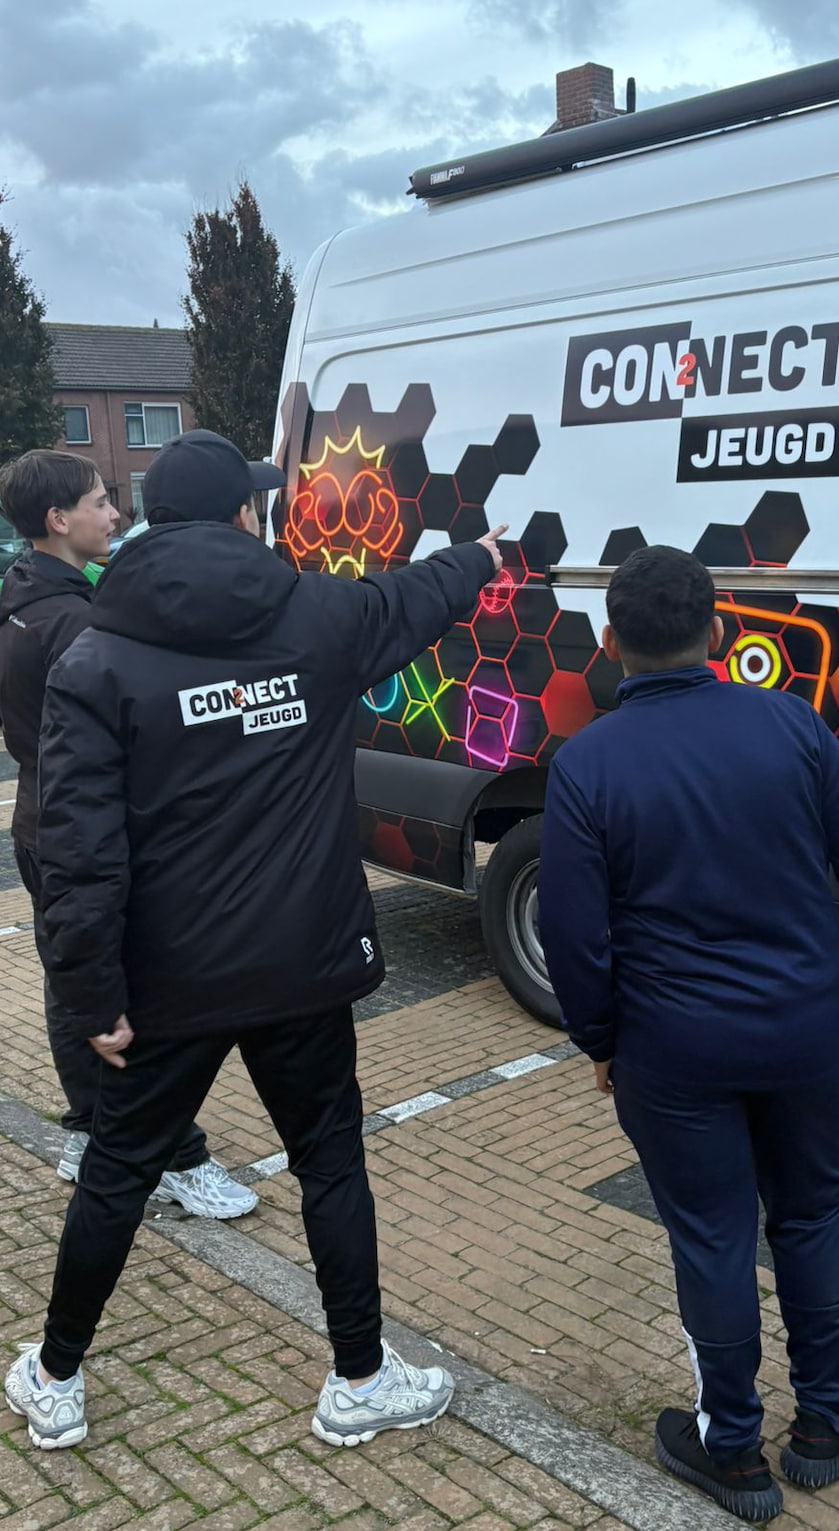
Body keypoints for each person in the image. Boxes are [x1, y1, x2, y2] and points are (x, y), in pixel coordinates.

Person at [3, 428, 506, 1452]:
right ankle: (358, 1377)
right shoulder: (318, 616)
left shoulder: (98, 654)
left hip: (166, 980)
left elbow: (77, 843)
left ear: (151, 521)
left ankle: (55, 1376)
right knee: (330, 1165)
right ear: (242, 515)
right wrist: (486, 558)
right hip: (303, 963)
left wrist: (90, 992)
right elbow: (416, 596)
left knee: (118, 1170)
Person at [538, 546, 839, 1523]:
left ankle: (733, 1450)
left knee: (711, 1237)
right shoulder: (788, 722)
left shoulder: (585, 764)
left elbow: (578, 936)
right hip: (803, 1035)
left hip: (671, 1051)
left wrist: (602, 1038)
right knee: (812, 1214)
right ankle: (830, 1421)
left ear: (610, 641)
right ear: (718, 630)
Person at [0, 449, 255, 1217]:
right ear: (58, 520)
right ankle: (173, 1155)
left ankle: (87, 1129)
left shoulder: (19, 596)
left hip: (40, 821)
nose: (115, 516)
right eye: (102, 501)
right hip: (92, 830)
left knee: (70, 978)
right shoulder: (77, 620)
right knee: (132, 990)